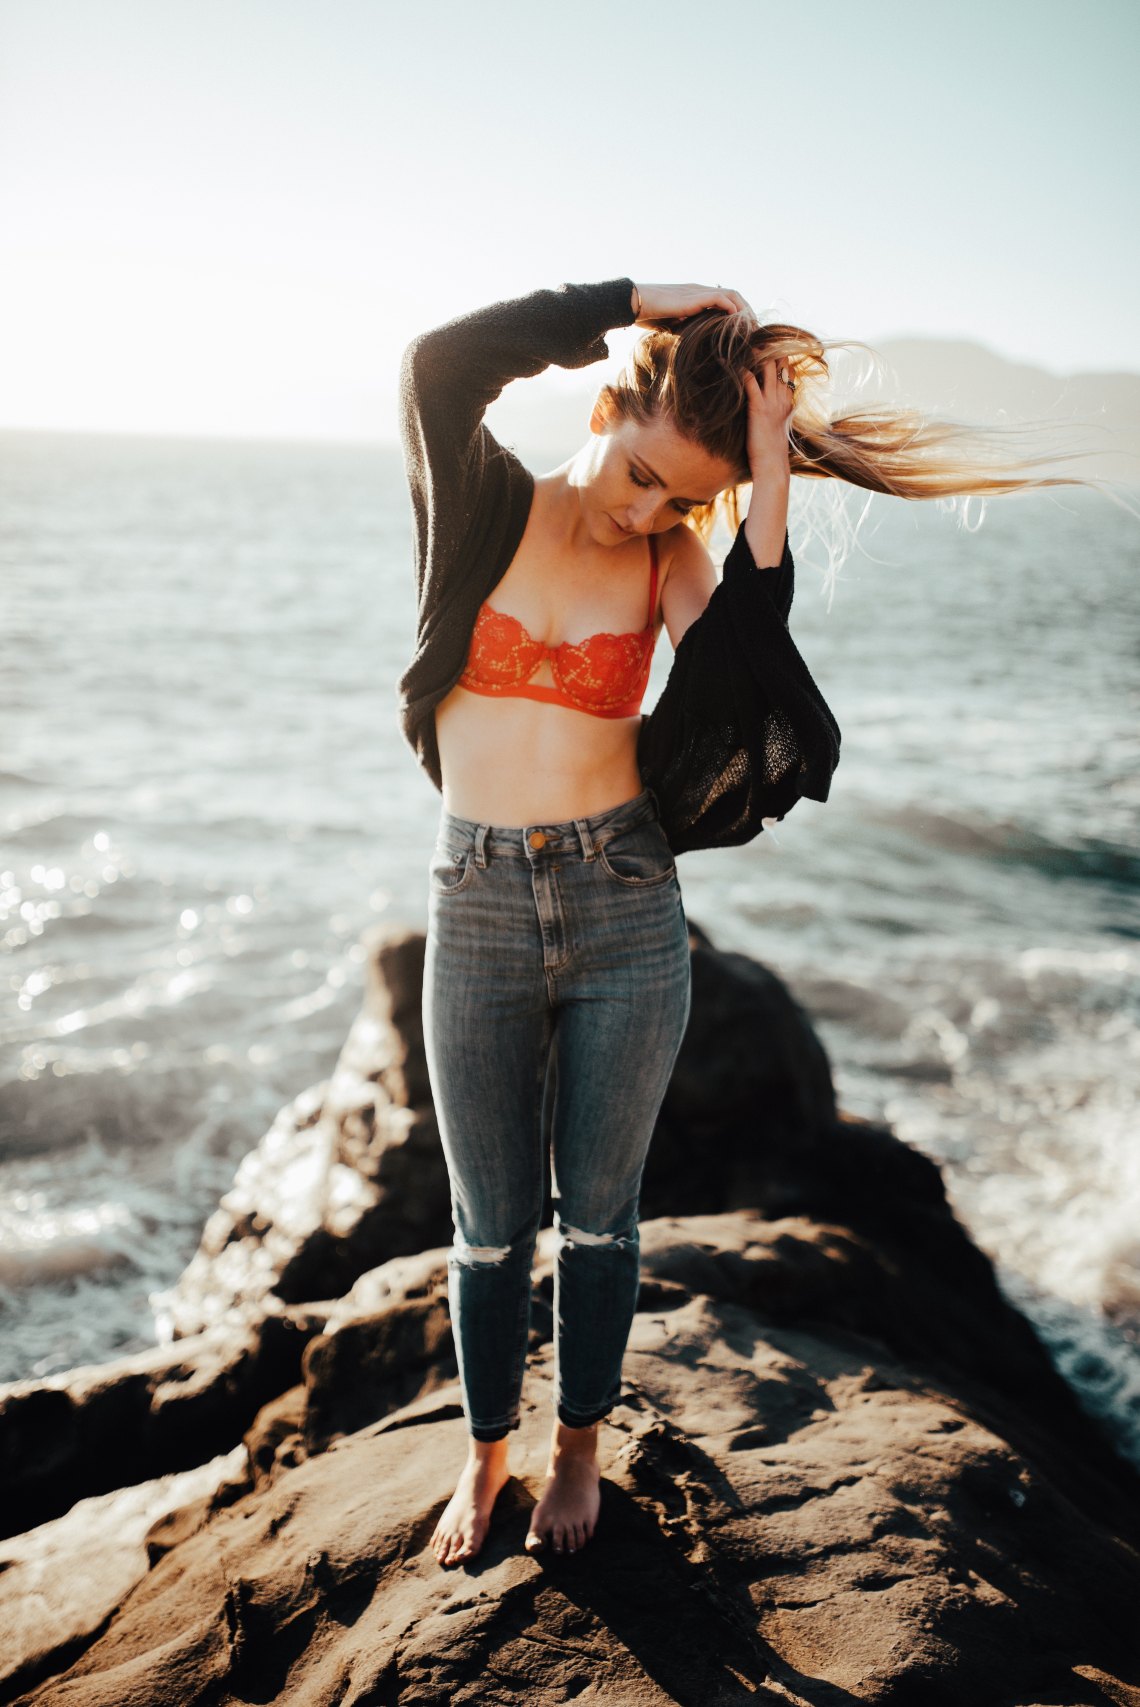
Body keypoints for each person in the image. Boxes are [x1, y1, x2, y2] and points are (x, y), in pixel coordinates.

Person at [396, 276, 1098, 1568]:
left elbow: (743, 678)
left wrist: (765, 478)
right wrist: (626, 295)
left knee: (600, 1216)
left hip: (623, 909)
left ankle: (575, 1453)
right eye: (645, 474)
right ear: (607, 404)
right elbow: (440, 359)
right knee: (489, 1225)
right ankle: (483, 1451)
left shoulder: (669, 556)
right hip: (477, 898)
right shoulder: (486, 502)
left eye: (684, 498)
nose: (649, 509)